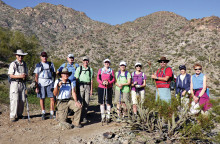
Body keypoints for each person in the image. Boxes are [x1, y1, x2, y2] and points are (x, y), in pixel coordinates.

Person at [34, 52, 56, 120]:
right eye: (43, 56)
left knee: (52, 98)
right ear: (41, 57)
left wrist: (54, 83)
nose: (44, 58)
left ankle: (52, 112)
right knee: (42, 98)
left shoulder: (51, 64)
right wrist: (36, 86)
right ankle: (43, 112)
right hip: (41, 83)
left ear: (47, 57)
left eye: (45, 56)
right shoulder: (38, 65)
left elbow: (54, 73)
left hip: (50, 82)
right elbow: (36, 76)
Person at [8, 49, 28, 122]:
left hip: (22, 83)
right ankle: (13, 115)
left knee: (22, 99)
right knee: (14, 99)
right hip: (15, 83)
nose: (20, 57)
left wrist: (25, 76)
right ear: (16, 56)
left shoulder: (24, 64)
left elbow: (26, 74)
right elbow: (11, 75)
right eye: (19, 55)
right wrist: (20, 76)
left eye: (22, 56)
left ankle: (20, 114)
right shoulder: (13, 64)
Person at [74, 56, 93, 123]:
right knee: (80, 101)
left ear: (88, 61)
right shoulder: (79, 68)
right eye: (84, 60)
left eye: (87, 60)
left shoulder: (90, 69)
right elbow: (76, 78)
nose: (85, 61)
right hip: (80, 86)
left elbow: (91, 80)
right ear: (82, 61)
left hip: (88, 86)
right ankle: (78, 117)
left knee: (86, 102)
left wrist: (91, 89)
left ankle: (84, 116)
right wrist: (76, 88)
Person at [97, 59, 115, 123]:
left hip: (109, 87)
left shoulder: (111, 71)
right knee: (102, 102)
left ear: (109, 63)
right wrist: (102, 82)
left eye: (108, 62)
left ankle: (108, 116)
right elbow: (98, 78)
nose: (107, 63)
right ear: (104, 63)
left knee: (108, 102)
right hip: (101, 87)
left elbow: (113, 79)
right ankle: (103, 116)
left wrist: (109, 82)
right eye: (105, 62)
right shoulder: (101, 70)